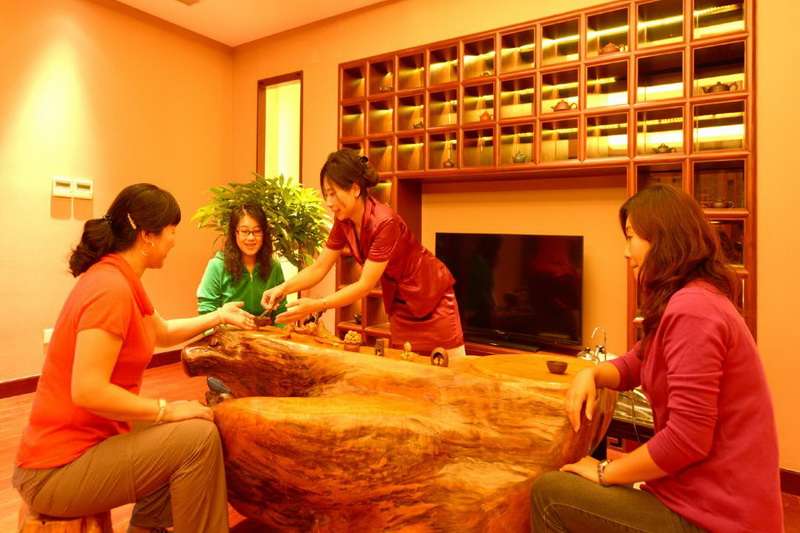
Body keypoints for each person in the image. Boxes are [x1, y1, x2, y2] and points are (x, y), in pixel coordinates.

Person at [530, 184, 783, 533]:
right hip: (699, 500)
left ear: (662, 240)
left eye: (631, 237)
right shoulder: (692, 298)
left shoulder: (693, 309)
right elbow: (636, 362)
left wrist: (606, 471)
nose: (625, 252)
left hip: (716, 518)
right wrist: (592, 374)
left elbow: (686, 440)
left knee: (550, 493)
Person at [13, 183, 254, 533]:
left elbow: (163, 332)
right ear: (147, 236)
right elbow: (88, 390)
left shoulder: (122, 279)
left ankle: (147, 528)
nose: (174, 240)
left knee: (194, 422)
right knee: (196, 441)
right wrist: (164, 409)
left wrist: (218, 315)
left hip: (86, 442)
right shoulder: (109, 289)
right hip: (55, 470)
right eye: (172, 230)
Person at [261, 149, 465, 356]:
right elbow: (319, 267)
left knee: (451, 368)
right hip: (400, 303)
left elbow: (365, 285)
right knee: (406, 366)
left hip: (431, 298)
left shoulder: (385, 222)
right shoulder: (344, 221)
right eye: (326, 194)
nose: (329, 202)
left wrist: (317, 305)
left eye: (333, 193)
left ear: (355, 189)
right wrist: (282, 288)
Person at [197, 203, 286, 319]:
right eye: (244, 231)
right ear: (235, 233)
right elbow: (206, 311)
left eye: (257, 231)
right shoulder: (217, 265)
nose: (251, 238)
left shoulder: (274, 266)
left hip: (265, 330)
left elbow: (281, 312)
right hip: (227, 330)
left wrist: (281, 328)